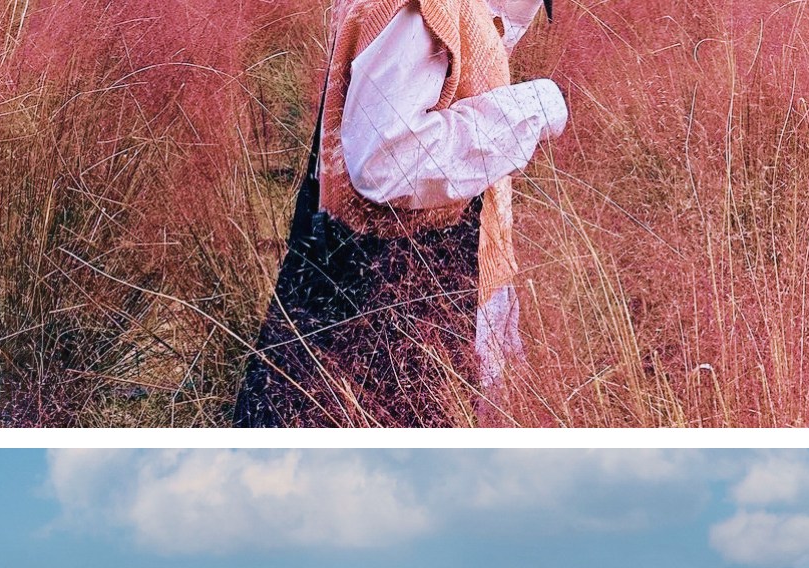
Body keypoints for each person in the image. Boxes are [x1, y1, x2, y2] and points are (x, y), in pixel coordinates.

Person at [233, 0, 566, 427]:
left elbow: (453, 69)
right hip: (401, 304)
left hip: (435, 287)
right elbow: (388, 160)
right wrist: (538, 108)